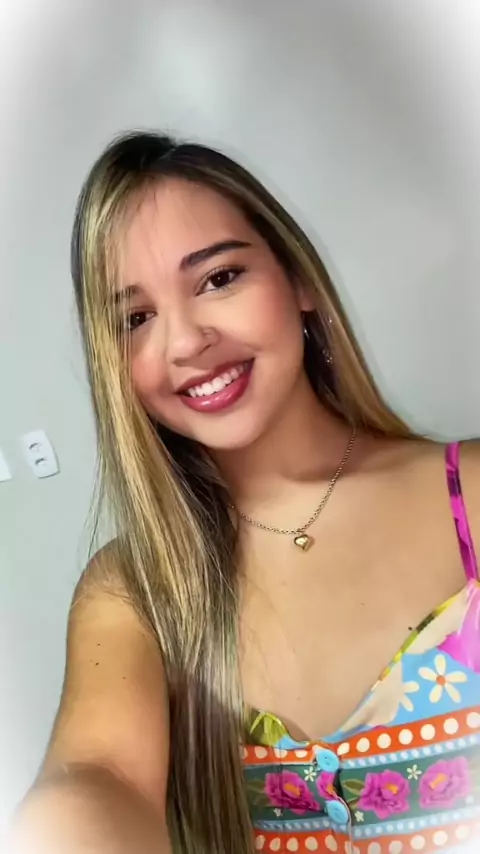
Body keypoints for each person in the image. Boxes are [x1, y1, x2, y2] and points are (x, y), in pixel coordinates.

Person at [11, 131, 480, 854]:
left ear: (299, 282)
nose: (185, 342)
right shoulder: (133, 591)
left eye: (218, 278)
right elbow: (100, 776)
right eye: (135, 318)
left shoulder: (468, 492)